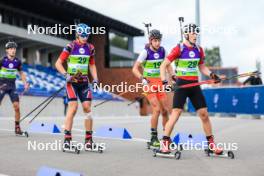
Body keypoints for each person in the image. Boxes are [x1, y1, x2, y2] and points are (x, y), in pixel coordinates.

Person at [159, 23, 224, 154]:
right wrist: (165, 82)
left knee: (204, 114)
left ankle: (211, 145)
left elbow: (202, 67)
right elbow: (164, 65)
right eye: (193, 33)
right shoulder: (179, 48)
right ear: (187, 34)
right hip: (182, 85)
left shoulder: (199, 49)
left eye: (196, 33)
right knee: (176, 114)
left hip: (194, 85)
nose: (195, 36)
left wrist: (211, 74)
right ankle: (165, 142)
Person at [55, 23, 99, 150]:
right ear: (78, 34)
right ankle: (67, 140)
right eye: (83, 35)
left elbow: (92, 65)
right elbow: (58, 63)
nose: (85, 37)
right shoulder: (71, 46)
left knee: (87, 109)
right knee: (73, 108)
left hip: (84, 83)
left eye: (87, 35)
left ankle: (89, 140)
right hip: (72, 83)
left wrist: (95, 79)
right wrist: (65, 74)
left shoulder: (90, 48)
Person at [132, 29, 174, 147]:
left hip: (160, 83)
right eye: (155, 41)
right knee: (156, 109)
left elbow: (168, 66)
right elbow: (134, 69)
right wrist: (142, 77)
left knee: (165, 110)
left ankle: (166, 137)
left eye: (159, 40)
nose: (157, 43)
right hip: (149, 83)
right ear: (150, 41)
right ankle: (153, 137)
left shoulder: (163, 51)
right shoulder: (145, 52)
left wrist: (173, 75)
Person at [0, 41, 30, 135]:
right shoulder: (2, 60)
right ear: (7, 50)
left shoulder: (18, 61)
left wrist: (25, 83)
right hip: (2, 85)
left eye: (14, 49)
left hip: (12, 86)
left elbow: (21, 73)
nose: (13, 50)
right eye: (11, 49)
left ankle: (17, 128)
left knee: (17, 107)